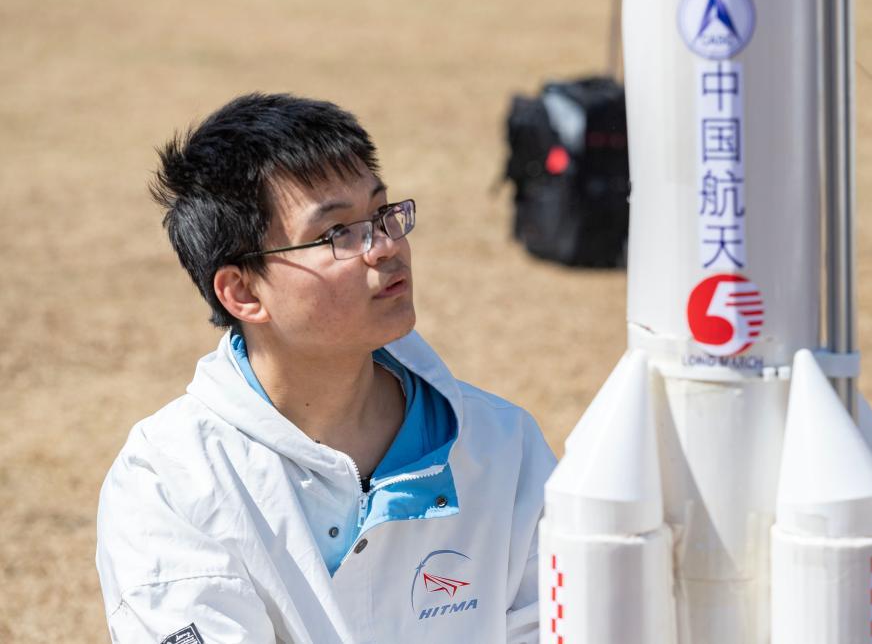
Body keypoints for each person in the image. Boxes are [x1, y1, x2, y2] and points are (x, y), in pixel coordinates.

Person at [95, 93, 557, 644]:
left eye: (382, 213)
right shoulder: (172, 480)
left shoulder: (503, 444)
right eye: (339, 232)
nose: (385, 247)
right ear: (243, 292)